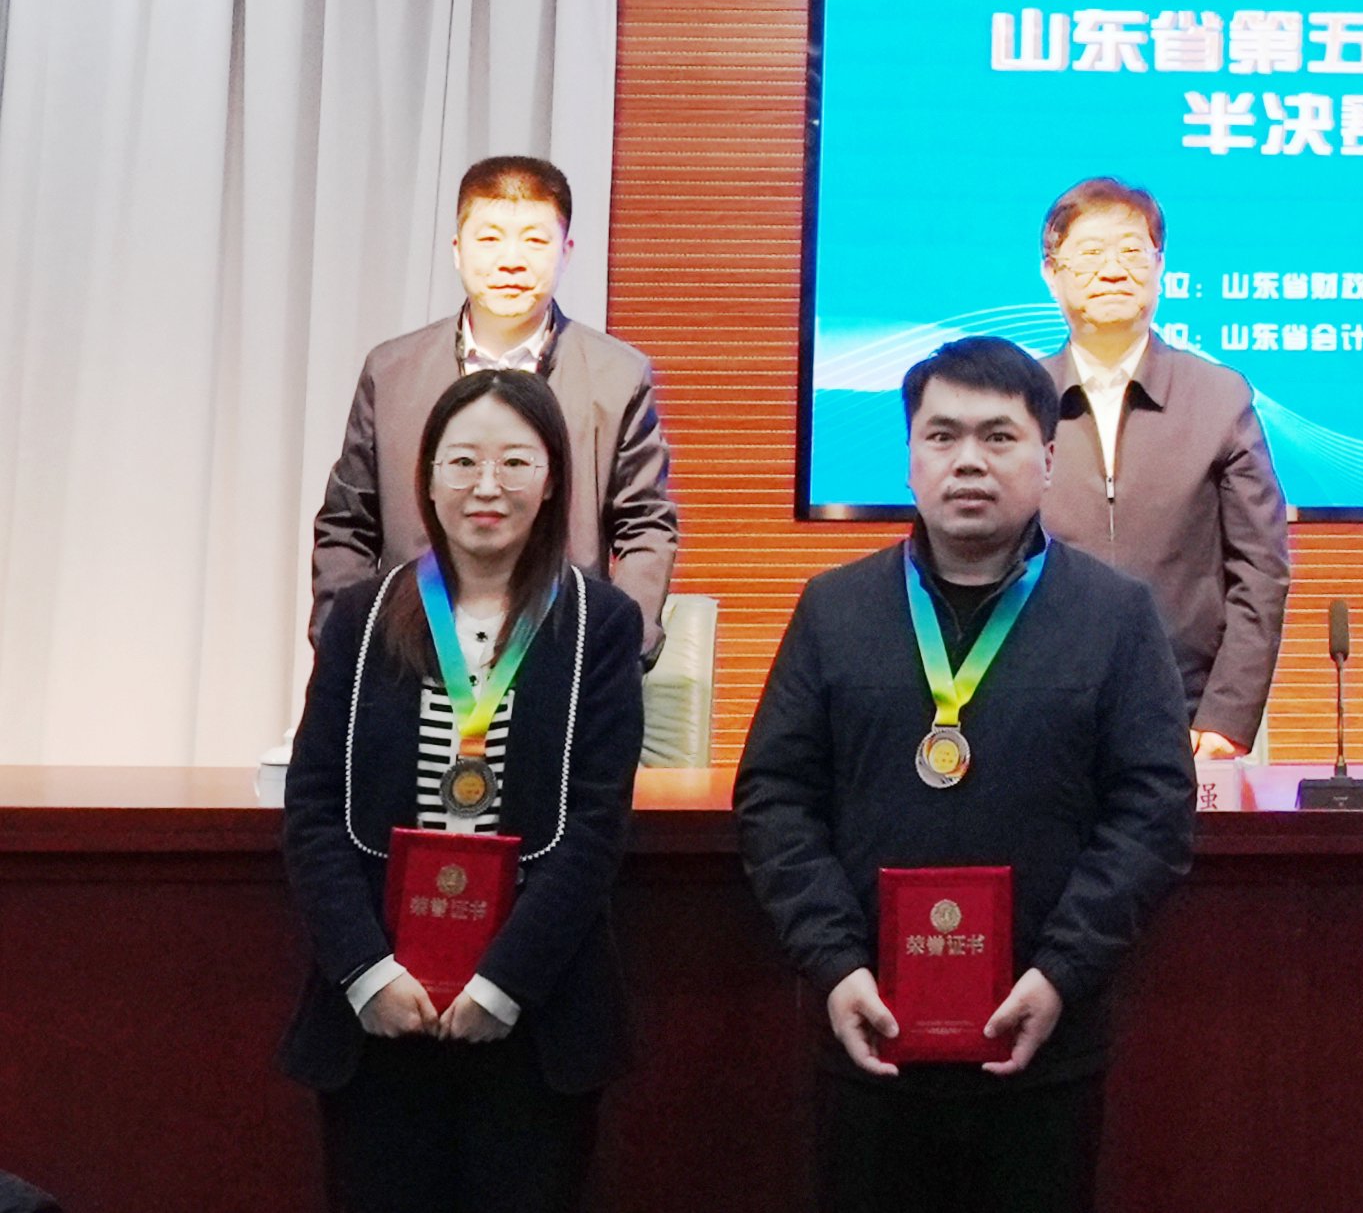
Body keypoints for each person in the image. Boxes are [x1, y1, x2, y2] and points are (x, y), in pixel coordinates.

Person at [736, 335, 1195, 1213]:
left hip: (1044, 1039)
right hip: (868, 1029)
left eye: (998, 436)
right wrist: (835, 964)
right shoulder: (834, 609)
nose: (969, 461)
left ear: (1047, 459)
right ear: (909, 459)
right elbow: (774, 798)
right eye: (942, 436)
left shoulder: (1115, 615)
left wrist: (1060, 971)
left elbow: (1154, 811)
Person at [281, 369, 648, 1213]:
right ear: (427, 479)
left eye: (515, 462)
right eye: (463, 462)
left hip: (535, 1015)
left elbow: (596, 827)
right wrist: (365, 973)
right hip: (377, 1016)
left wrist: (501, 983)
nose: (488, 486)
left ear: (551, 480)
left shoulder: (600, 623)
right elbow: (313, 809)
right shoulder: (362, 617)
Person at [313, 155, 681, 660]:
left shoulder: (617, 377)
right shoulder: (392, 371)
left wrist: (613, 653)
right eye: (489, 239)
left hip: (558, 654)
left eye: (534, 240)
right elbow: (347, 525)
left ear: (566, 253)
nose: (511, 260)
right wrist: (346, 647)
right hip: (411, 649)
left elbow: (646, 529)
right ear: (457, 251)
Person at [1034, 177, 1291, 759]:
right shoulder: (1019, 400)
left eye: (1132, 251)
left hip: (1190, 720)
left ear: (1160, 268)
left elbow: (1261, 570)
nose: (1112, 271)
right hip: (1040, 715)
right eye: (1090, 253)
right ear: (1052, 273)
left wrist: (1227, 716)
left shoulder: (1219, 397)